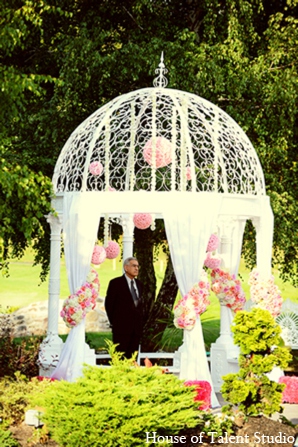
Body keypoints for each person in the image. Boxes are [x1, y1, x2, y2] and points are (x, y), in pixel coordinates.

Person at [105, 257, 144, 359]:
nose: (136, 268)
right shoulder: (116, 283)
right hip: (121, 329)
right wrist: (114, 322)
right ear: (126, 267)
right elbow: (109, 304)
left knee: (132, 358)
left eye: (138, 266)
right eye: (134, 266)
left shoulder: (139, 284)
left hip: (136, 330)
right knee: (120, 357)